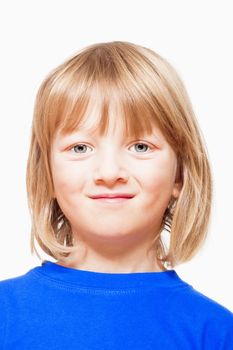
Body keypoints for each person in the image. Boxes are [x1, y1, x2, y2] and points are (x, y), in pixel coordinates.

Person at [0, 41, 232, 349]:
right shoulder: (7, 313)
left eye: (140, 147)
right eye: (80, 148)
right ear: (48, 176)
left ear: (180, 174)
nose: (109, 172)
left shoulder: (216, 332)